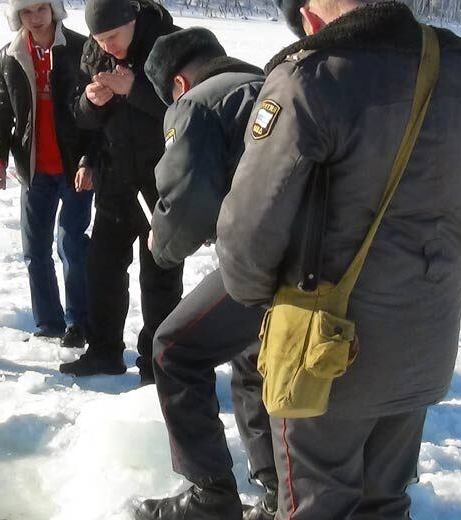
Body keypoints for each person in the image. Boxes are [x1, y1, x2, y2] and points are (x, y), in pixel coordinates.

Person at [215, 0, 461, 518]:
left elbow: (247, 234)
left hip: (328, 350)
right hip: (426, 335)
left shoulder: (310, 79)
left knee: (318, 504)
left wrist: (255, 297)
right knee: (384, 501)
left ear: (309, 15)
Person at [132, 28, 275, 520]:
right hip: (322, 260)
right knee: (255, 360)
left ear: (177, 81)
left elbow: (188, 201)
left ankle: (209, 497)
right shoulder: (272, 84)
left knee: (174, 349)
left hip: (266, 261)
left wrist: (162, 243)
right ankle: (277, 492)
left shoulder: (196, 103)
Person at [58, 0, 183, 384]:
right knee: (103, 268)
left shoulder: (171, 46)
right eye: (99, 38)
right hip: (115, 179)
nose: (106, 46)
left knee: (159, 277)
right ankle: (104, 352)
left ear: (133, 19)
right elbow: (81, 118)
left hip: (161, 181)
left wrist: (136, 89)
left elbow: (192, 110)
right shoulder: (95, 51)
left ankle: (155, 363)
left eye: (112, 36)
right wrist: (91, 104)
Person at [0, 0, 94, 348]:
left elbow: (99, 114)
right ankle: (48, 322)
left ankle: (79, 322)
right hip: (33, 170)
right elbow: (0, 112)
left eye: (40, 9)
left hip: (74, 168)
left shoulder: (80, 49)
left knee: (72, 245)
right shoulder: (10, 54)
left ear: (54, 10)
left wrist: (89, 160)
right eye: (26, 12)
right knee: (35, 251)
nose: (34, 18)